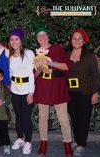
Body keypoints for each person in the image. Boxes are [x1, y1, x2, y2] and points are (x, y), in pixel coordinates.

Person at [33, 24, 73, 156]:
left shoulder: (57, 49)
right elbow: (35, 74)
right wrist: (39, 67)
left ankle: (67, 143)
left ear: (48, 36)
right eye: (39, 36)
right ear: (37, 39)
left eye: (44, 35)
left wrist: (50, 63)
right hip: (43, 86)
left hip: (57, 85)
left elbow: (67, 67)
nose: (42, 37)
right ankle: (43, 142)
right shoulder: (36, 52)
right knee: (43, 117)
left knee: (63, 118)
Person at [67, 29, 99, 156]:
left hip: (85, 92)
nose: (77, 41)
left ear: (84, 41)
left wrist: (95, 93)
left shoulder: (89, 55)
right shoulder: (67, 53)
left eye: (79, 38)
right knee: (74, 118)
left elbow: (95, 75)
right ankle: (78, 140)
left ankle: (81, 144)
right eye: (74, 38)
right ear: (71, 40)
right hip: (69, 92)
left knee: (84, 118)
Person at [8, 29, 35, 155]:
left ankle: (28, 141)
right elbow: (9, 73)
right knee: (18, 116)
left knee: (26, 117)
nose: (14, 42)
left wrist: (31, 93)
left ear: (21, 40)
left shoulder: (29, 53)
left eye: (17, 39)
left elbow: (31, 74)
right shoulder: (8, 55)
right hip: (15, 90)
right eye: (12, 39)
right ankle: (20, 138)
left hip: (26, 90)